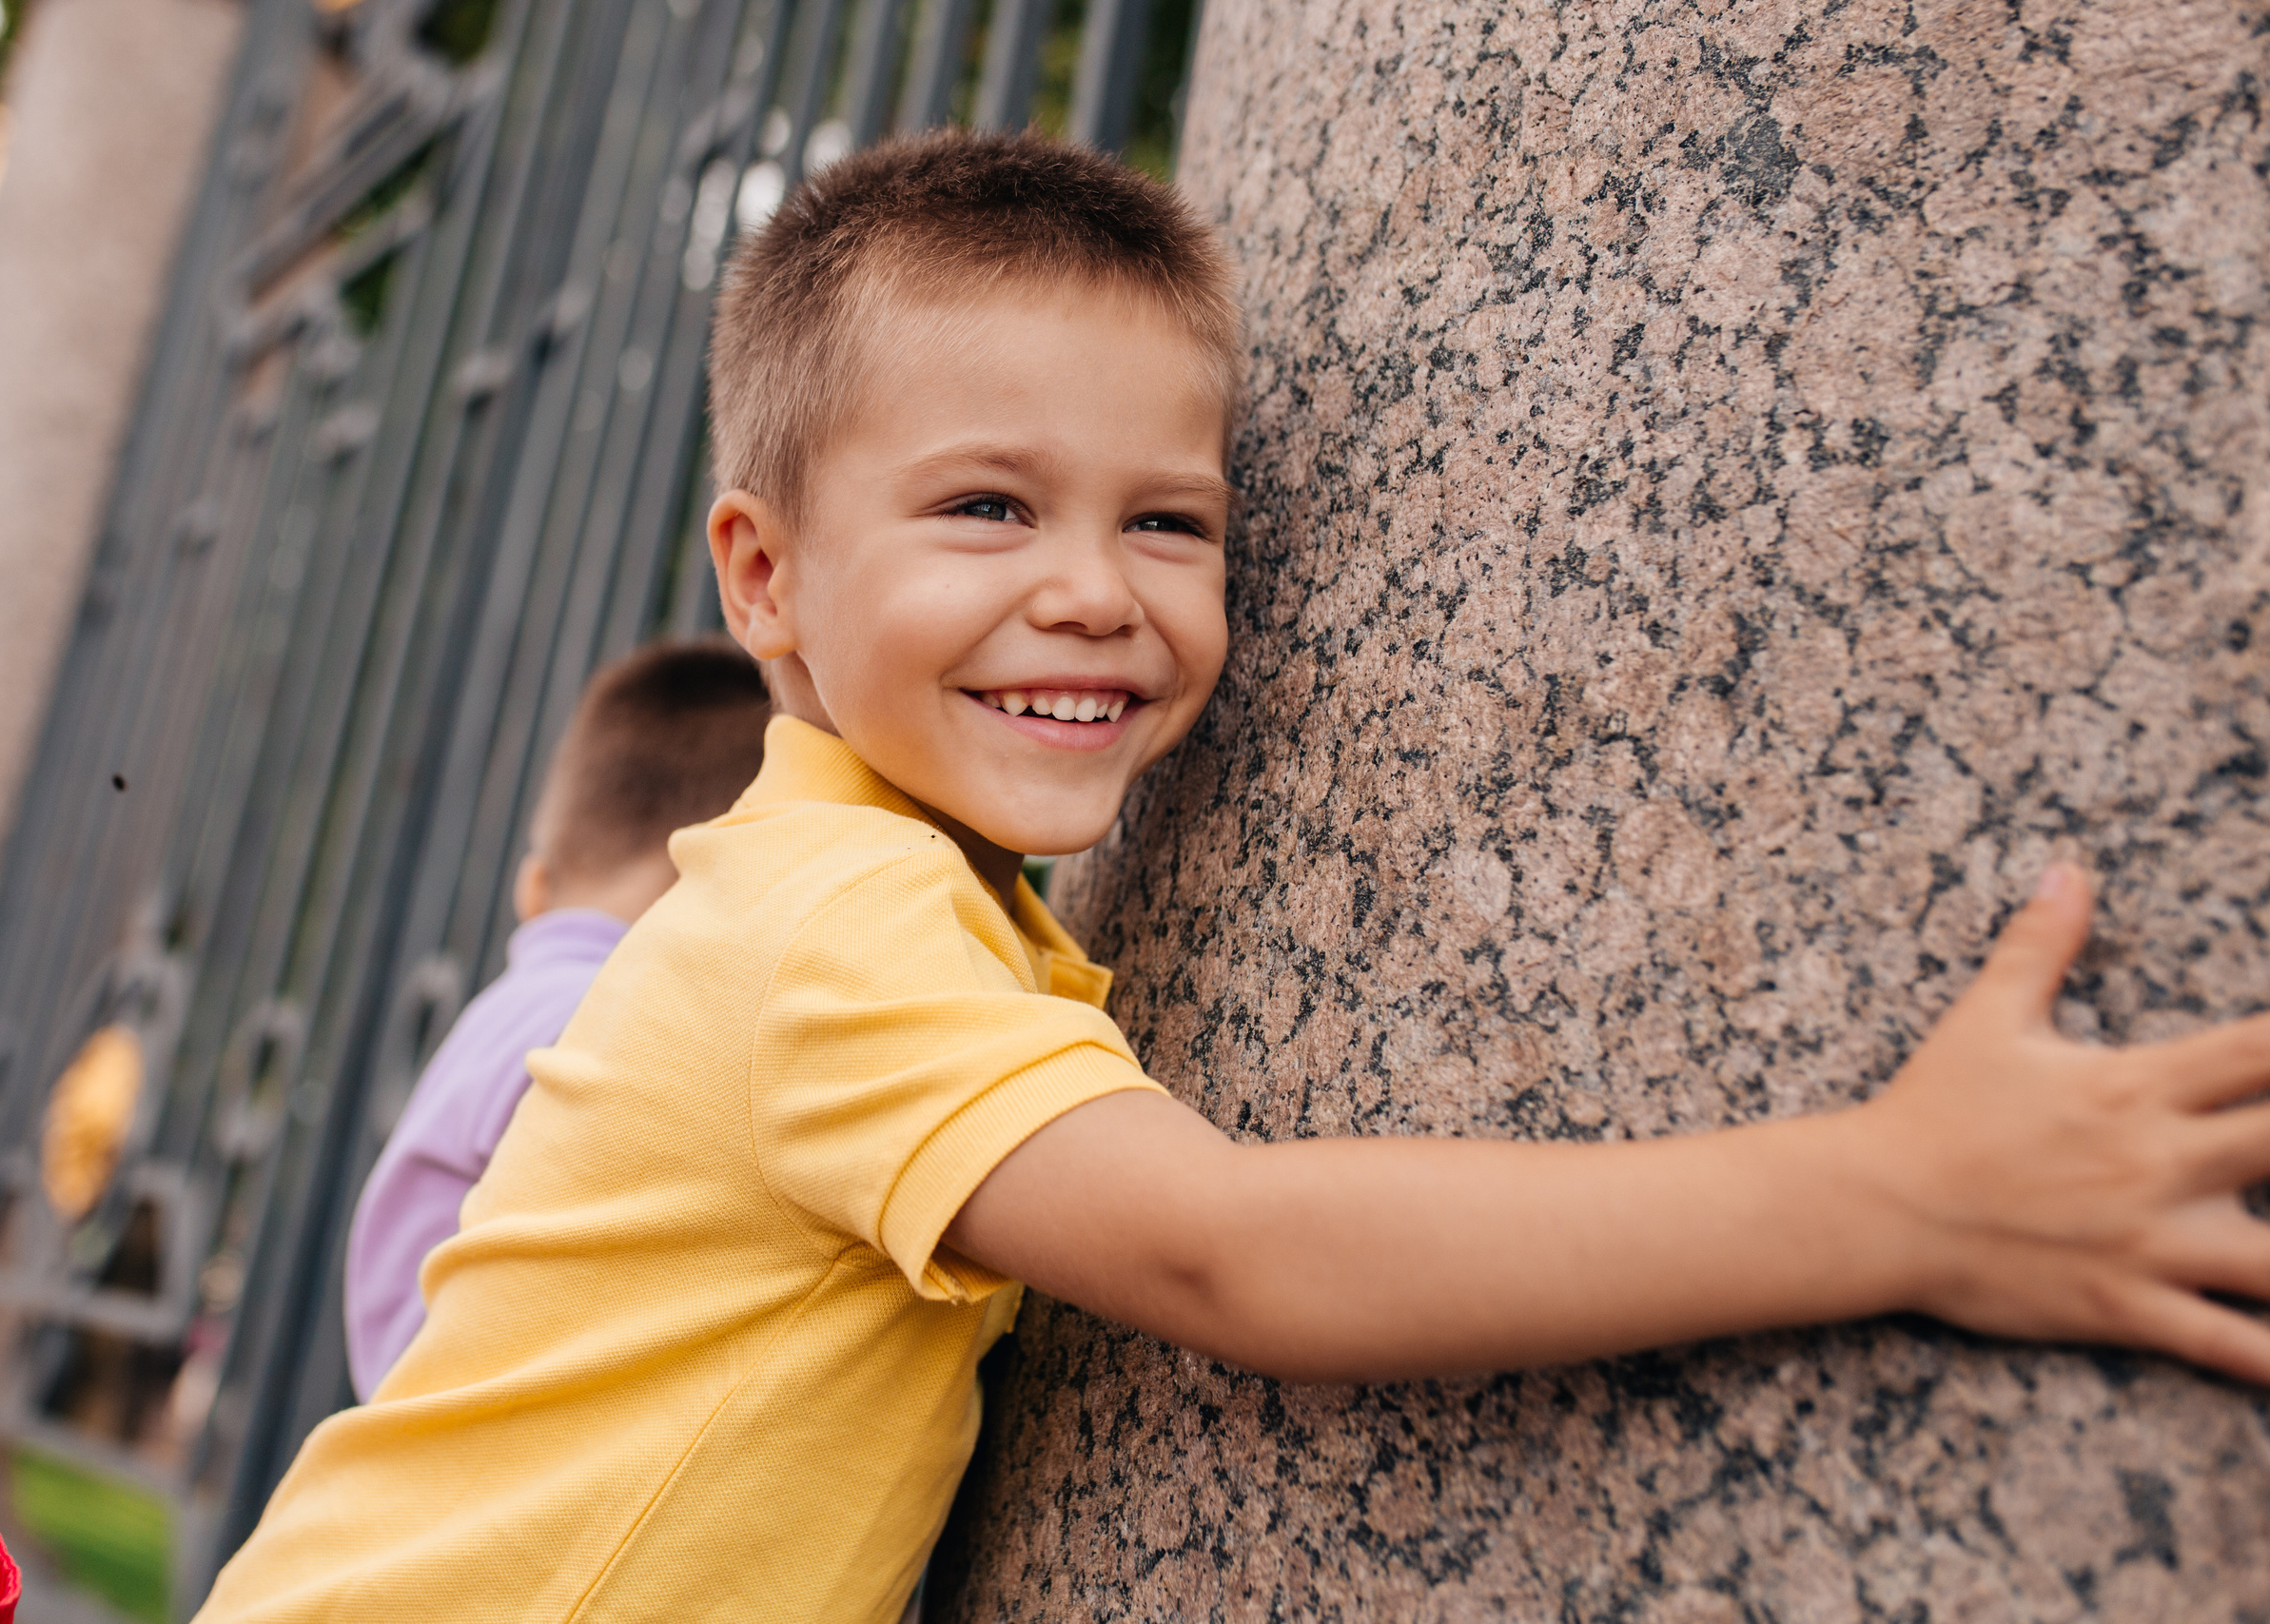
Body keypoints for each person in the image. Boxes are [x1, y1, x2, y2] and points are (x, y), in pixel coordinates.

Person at [196, 127, 2270, 1623]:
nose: (1091, 593)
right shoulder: (829, 925)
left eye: (1168, 525)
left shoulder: (901, 899)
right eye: (986, 505)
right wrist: (1905, 1196)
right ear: (766, 576)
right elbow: (1237, 1255)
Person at [342, 636, 769, 1399]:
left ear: (532, 887)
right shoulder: (607, 1021)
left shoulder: (513, 1009)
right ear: (728, 880)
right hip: (481, 1418)